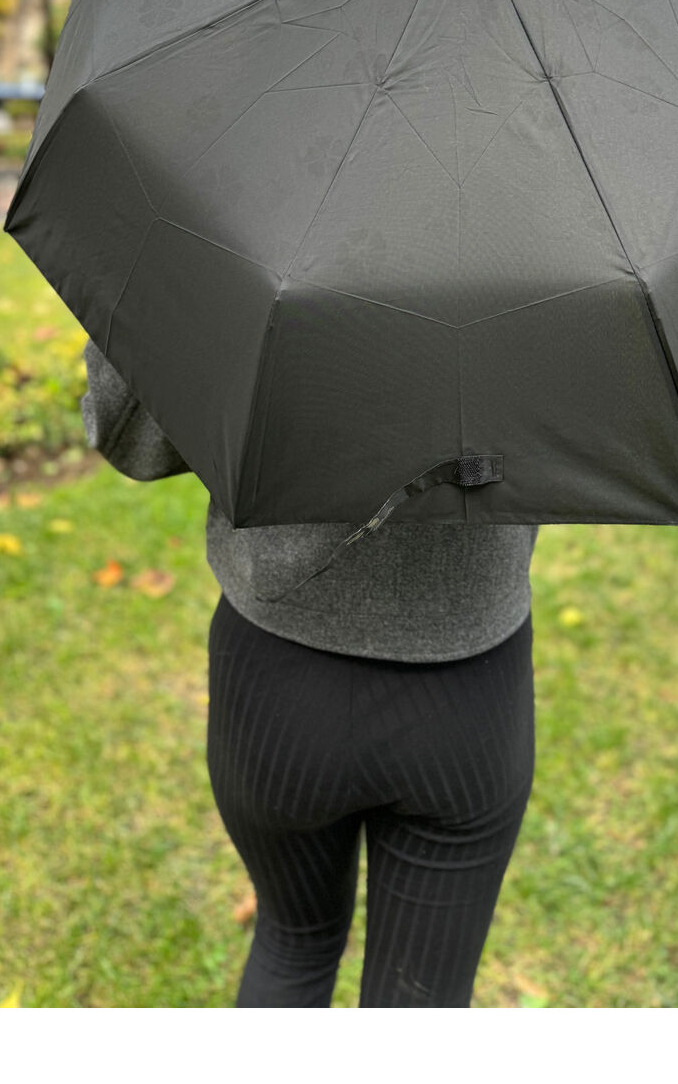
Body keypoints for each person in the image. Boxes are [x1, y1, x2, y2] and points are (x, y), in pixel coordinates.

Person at [79, 337, 539, 1009]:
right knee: (424, 996)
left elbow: (133, 437)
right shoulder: (551, 268)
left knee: (292, 943)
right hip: (468, 689)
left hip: (277, 681)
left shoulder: (247, 256)